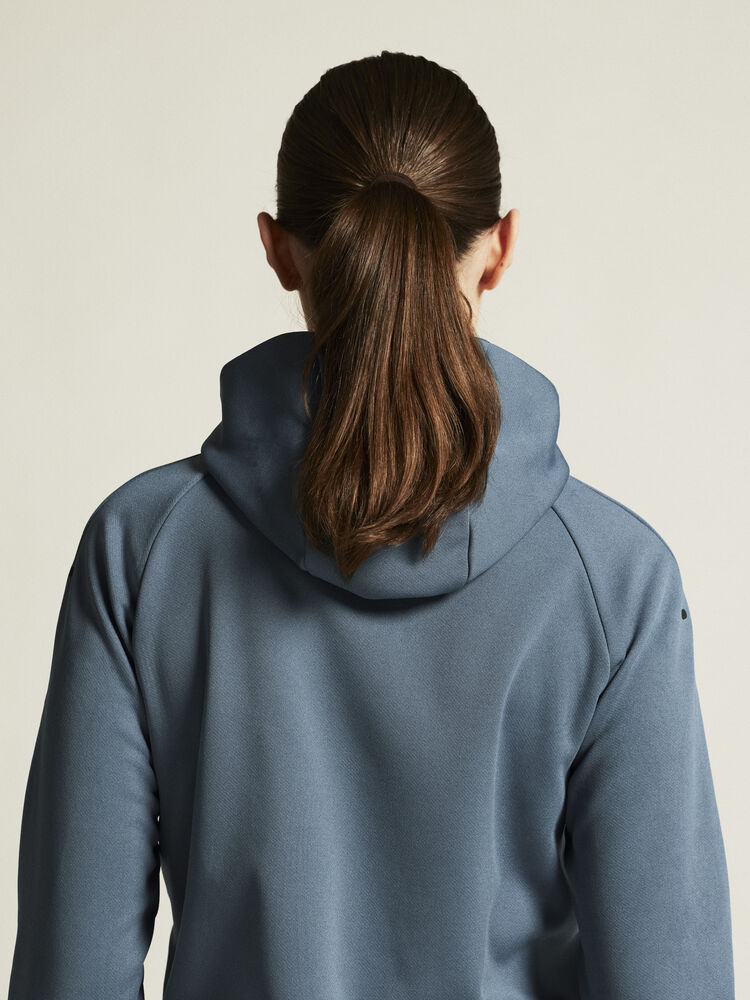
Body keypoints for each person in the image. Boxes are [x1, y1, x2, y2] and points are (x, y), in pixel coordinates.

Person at [8, 49, 734, 1000]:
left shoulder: (142, 553)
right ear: (500, 247)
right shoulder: (618, 583)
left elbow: (70, 973)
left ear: (278, 250)